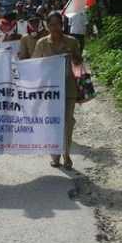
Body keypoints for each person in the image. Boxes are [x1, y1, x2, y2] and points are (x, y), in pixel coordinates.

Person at [32, 11, 82, 170]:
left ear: (62, 25)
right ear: (47, 26)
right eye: (51, 24)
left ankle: (66, 154)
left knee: (67, 123)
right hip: (50, 91)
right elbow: (34, 64)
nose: (54, 28)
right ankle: (55, 154)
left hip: (68, 89)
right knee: (53, 123)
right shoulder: (41, 43)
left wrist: (73, 56)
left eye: (57, 24)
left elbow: (79, 64)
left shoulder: (72, 42)